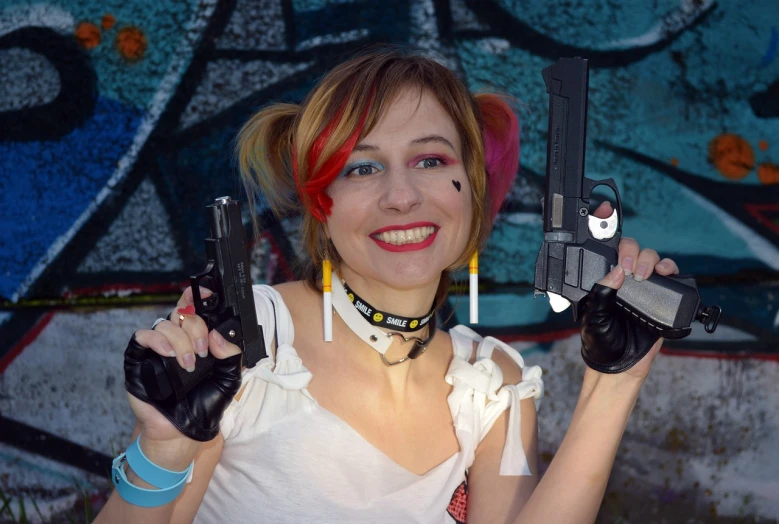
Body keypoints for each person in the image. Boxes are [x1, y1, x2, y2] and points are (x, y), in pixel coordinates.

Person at [94, 47, 679, 523]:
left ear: (471, 188)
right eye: (362, 167)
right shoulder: (248, 339)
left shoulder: (489, 382)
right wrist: (163, 450)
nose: (401, 196)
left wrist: (614, 383)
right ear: (321, 203)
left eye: (430, 161)